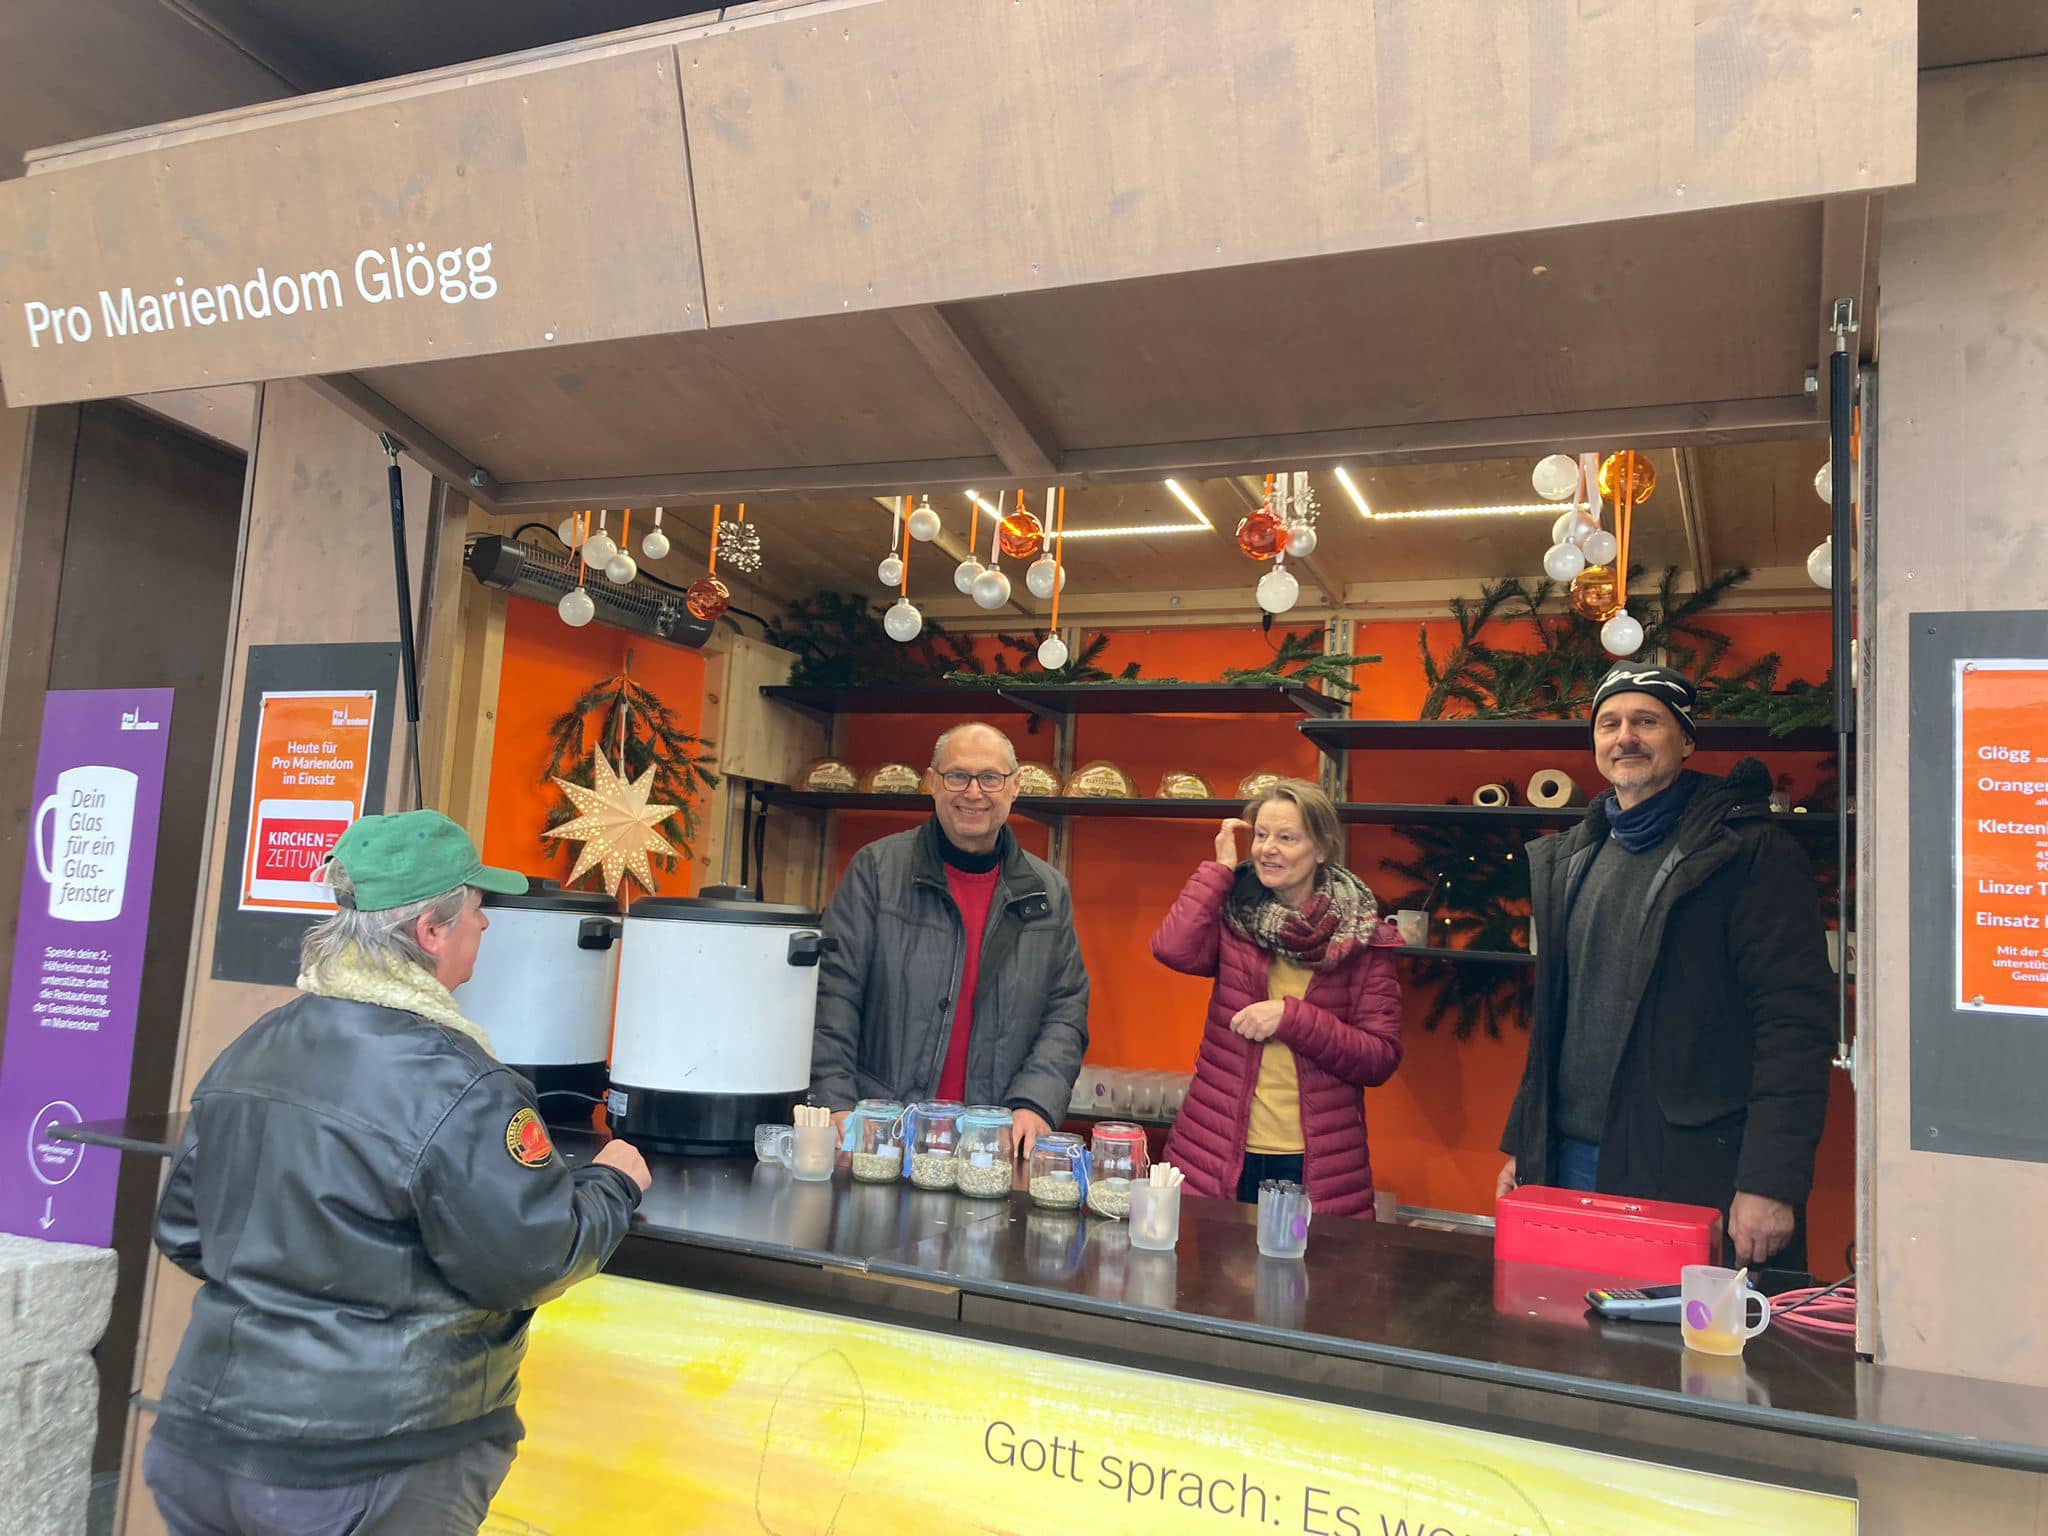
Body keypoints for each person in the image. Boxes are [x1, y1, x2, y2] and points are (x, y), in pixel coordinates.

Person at [144, 811, 651, 1536]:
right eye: (478, 913)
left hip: (203, 1448)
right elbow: (533, 1257)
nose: (485, 929)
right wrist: (613, 1186)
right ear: (432, 933)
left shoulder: (254, 1046)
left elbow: (186, 1230)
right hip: (369, 1470)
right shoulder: (462, 1086)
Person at [1496, 664, 1835, 1269]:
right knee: (1567, 1346)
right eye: (1609, 723)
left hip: (1695, 1164)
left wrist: (1771, 1181)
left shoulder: (1750, 853)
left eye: (1646, 721)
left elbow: (1795, 1025)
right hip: (1571, 1157)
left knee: (1690, 1354)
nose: (1625, 736)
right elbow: (1557, 1019)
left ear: (1687, 741)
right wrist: (1527, 1143)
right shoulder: (1575, 858)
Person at [810, 721, 1089, 1159]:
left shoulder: (1047, 892)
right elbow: (833, 993)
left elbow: (1065, 1009)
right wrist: (835, 1101)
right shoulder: (877, 872)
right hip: (880, 1136)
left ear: (1015, 786)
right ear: (932, 783)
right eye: (956, 776)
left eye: (990, 778)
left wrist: (1035, 1101)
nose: (973, 792)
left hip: (989, 1144)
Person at [1153, 779, 1403, 1214]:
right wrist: (1219, 871)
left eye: (1286, 838)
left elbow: (1378, 1058)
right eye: (1262, 835)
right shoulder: (1237, 919)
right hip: (1216, 1151)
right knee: (1208, 1279)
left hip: (1315, 1164)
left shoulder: (1362, 940)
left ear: (1322, 848)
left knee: (1302, 1280)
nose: (1268, 849)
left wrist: (1292, 1019)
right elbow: (1171, 948)